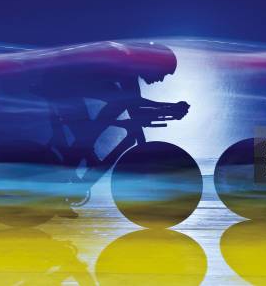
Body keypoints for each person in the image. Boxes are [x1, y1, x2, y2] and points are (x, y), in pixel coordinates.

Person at [34, 42, 190, 218]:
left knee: (107, 112)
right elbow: (132, 103)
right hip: (60, 84)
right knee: (87, 136)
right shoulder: (124, 63)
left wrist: (166, 109)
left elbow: (134, 104)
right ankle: (58, 191)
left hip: (66, 81)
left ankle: (81, 156)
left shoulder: (129, 65)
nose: (160, 79)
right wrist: (169, 107)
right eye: (162, 73)